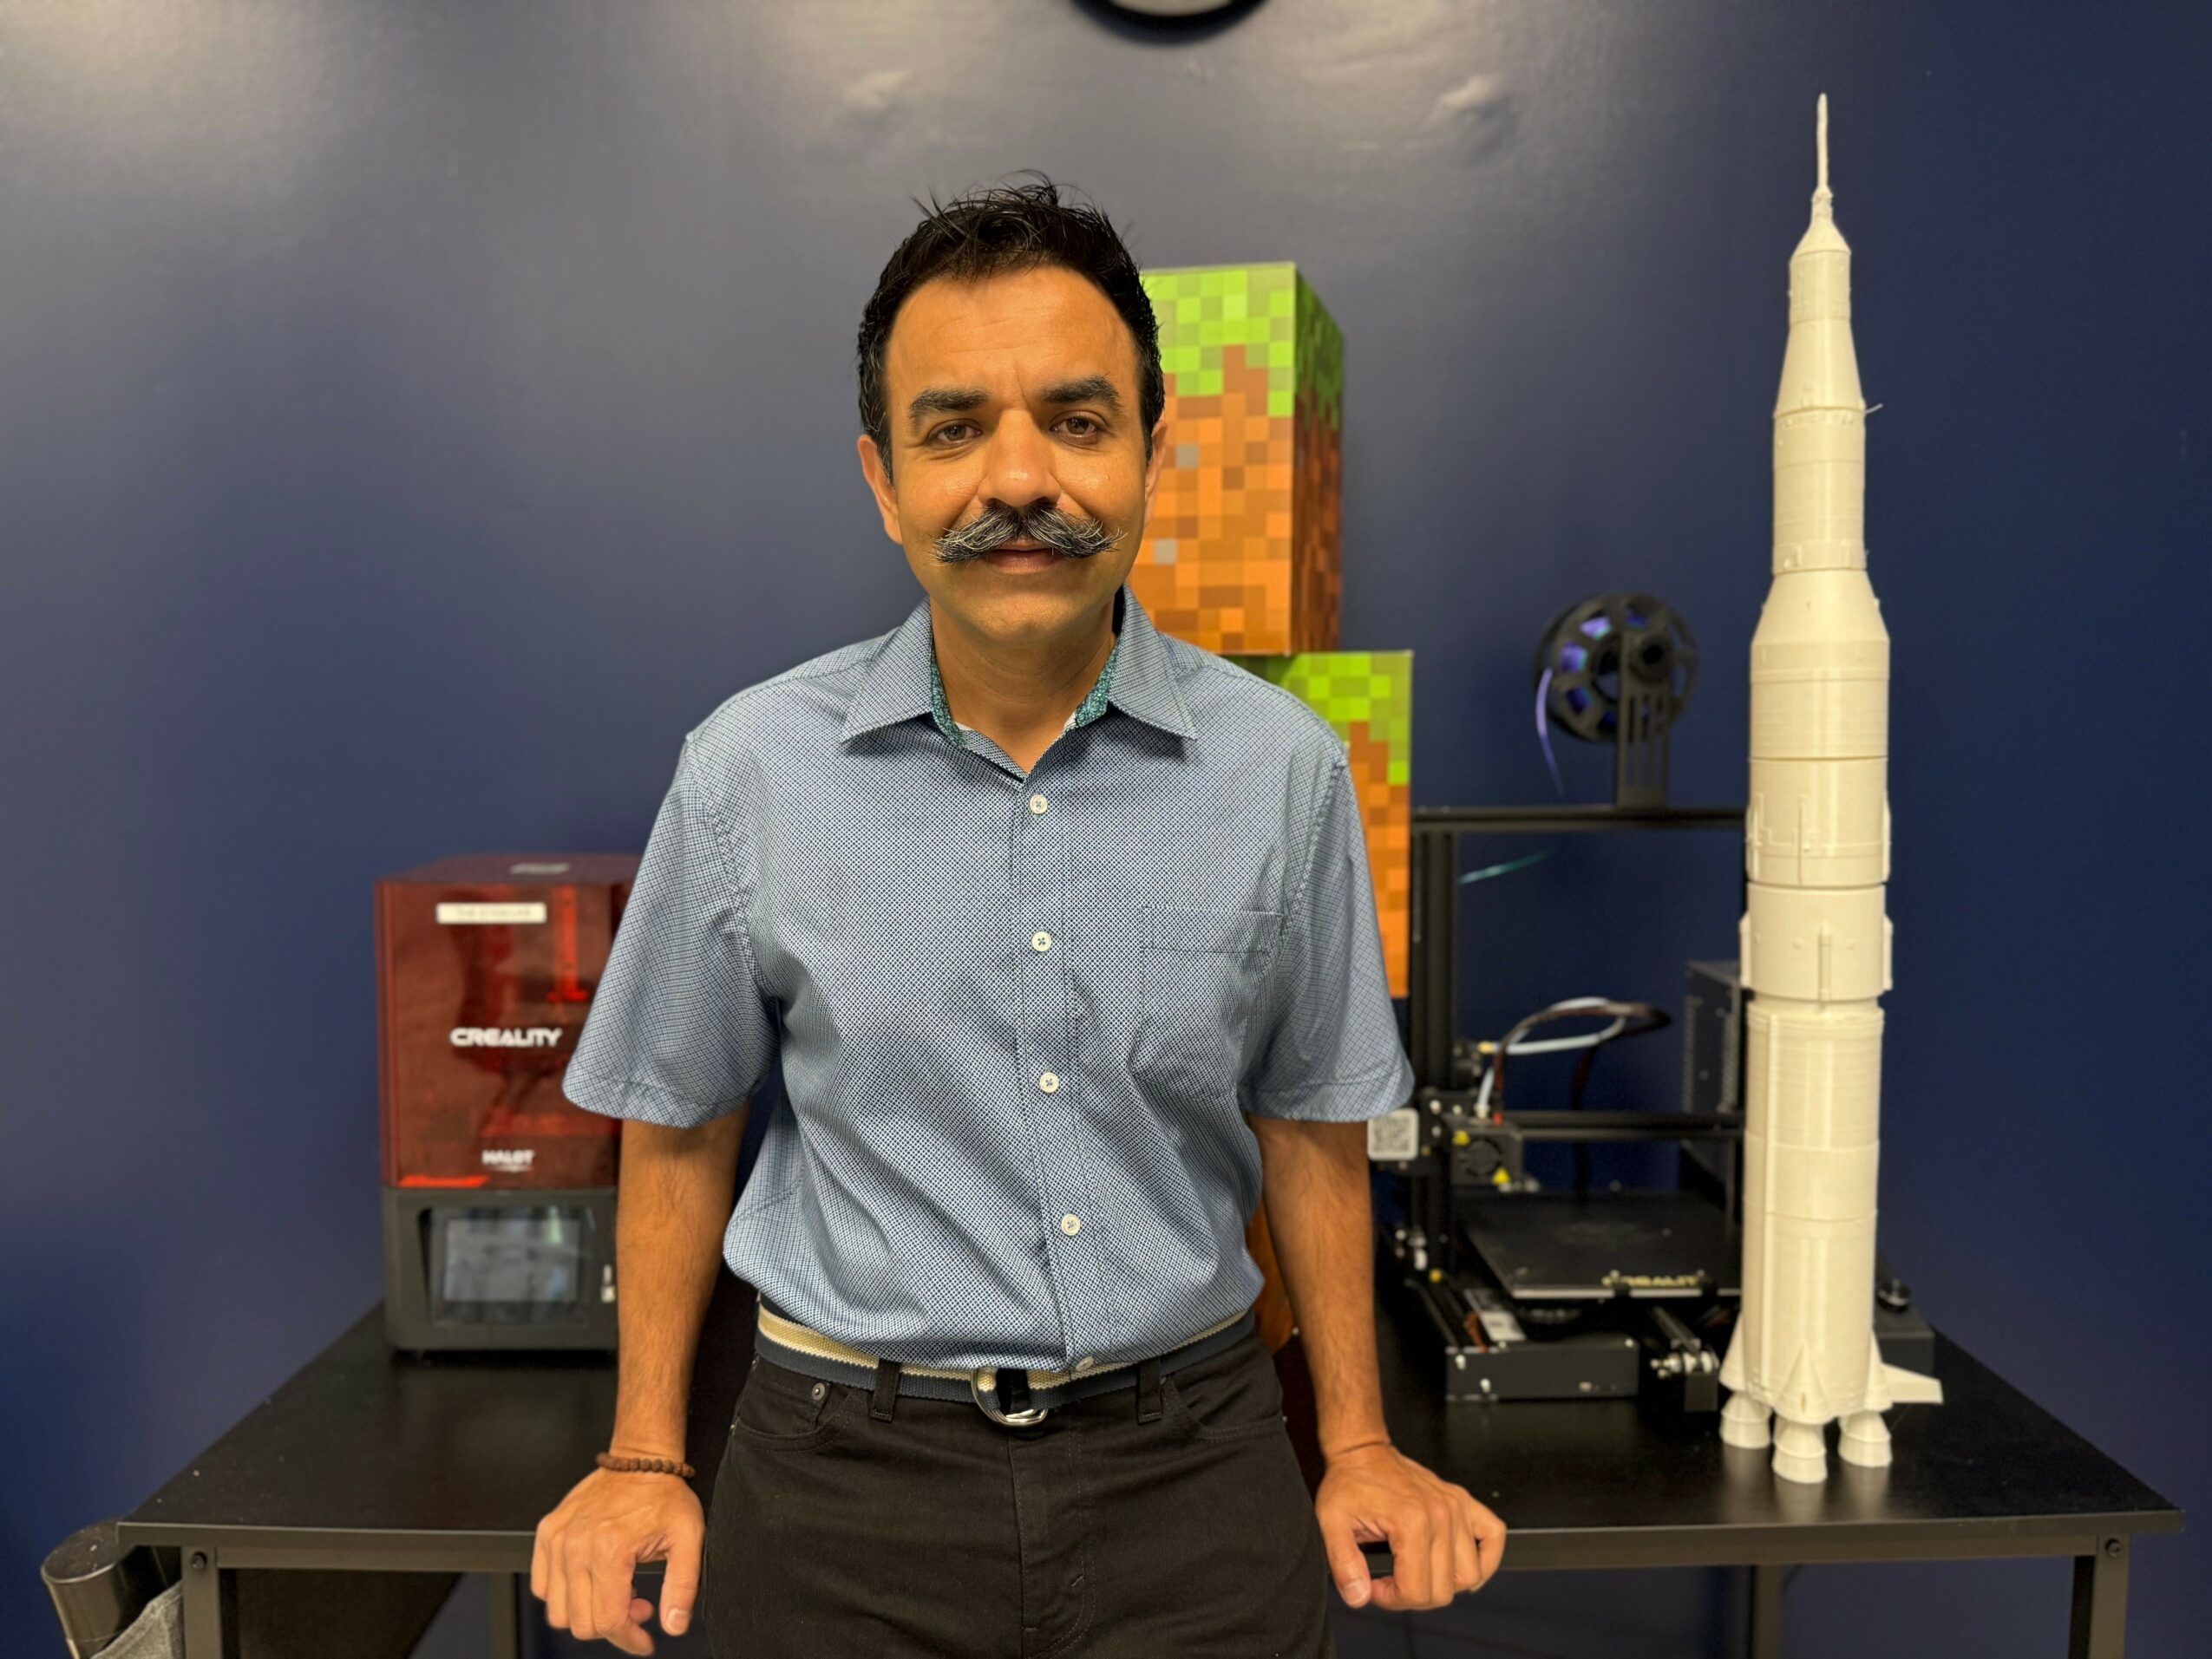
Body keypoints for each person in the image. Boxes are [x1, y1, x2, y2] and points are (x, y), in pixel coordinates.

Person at [529, 174, 1506, 1657]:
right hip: (841, 1487)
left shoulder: (1283, 772)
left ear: (1152, 454)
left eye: (1076, 418)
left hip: (1193, 1473)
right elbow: (674, 1121)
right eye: (952, 428)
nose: (1017, 478)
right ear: (881, 478)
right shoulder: (749, 772)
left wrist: (1358, 1440)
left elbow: (1312, 1123)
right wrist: (642, 1454)